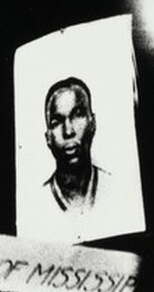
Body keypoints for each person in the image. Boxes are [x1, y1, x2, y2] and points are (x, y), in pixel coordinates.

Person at [43, 78, 109, 219]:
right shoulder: (37, 204)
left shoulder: (116, 189)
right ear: (48, 137)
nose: (68, 131)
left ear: (92, 123)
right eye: (57, 122)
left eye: (77, 115)